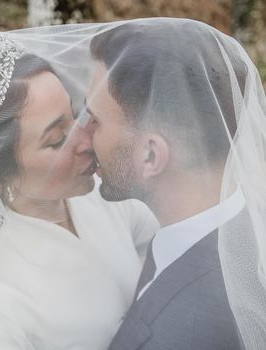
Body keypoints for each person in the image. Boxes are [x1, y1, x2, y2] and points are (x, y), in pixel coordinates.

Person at [0, 33, 157, 350]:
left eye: (76, 115)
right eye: (57, 140)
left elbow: (170, 238)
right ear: (2, 178)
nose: (87, 141)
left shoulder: (104, 196)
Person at [85, 19, 266, 349]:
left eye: (95, 120)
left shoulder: (187, 332)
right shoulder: (245, 233)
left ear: (151, 155)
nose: (81, 136)